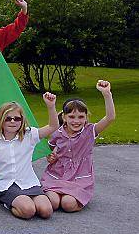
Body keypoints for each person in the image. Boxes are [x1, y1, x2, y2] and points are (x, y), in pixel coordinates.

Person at [41, 80, 116, 212]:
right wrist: (52, 157)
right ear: (64, 117)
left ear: (86, 117)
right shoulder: (57, 132)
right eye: (71, 117)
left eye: (81, 117)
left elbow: (110, 117)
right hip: (57, 175)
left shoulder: (90, 131)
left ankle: (76, 196)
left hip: (79, 178)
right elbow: (54, 150)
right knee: (52, 202)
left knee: (67, 204)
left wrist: (106, 94)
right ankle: (60, 194)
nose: (76, 121)